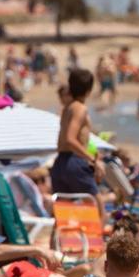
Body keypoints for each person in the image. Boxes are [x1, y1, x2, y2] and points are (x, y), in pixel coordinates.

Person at [52, 68, 102, 196]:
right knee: (96, 205)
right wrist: (93, 160)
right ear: (89, 90)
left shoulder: (67, 108)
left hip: (59, 163)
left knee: (66, 210)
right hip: (73, 161)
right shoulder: (80, 108)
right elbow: (70, 139)